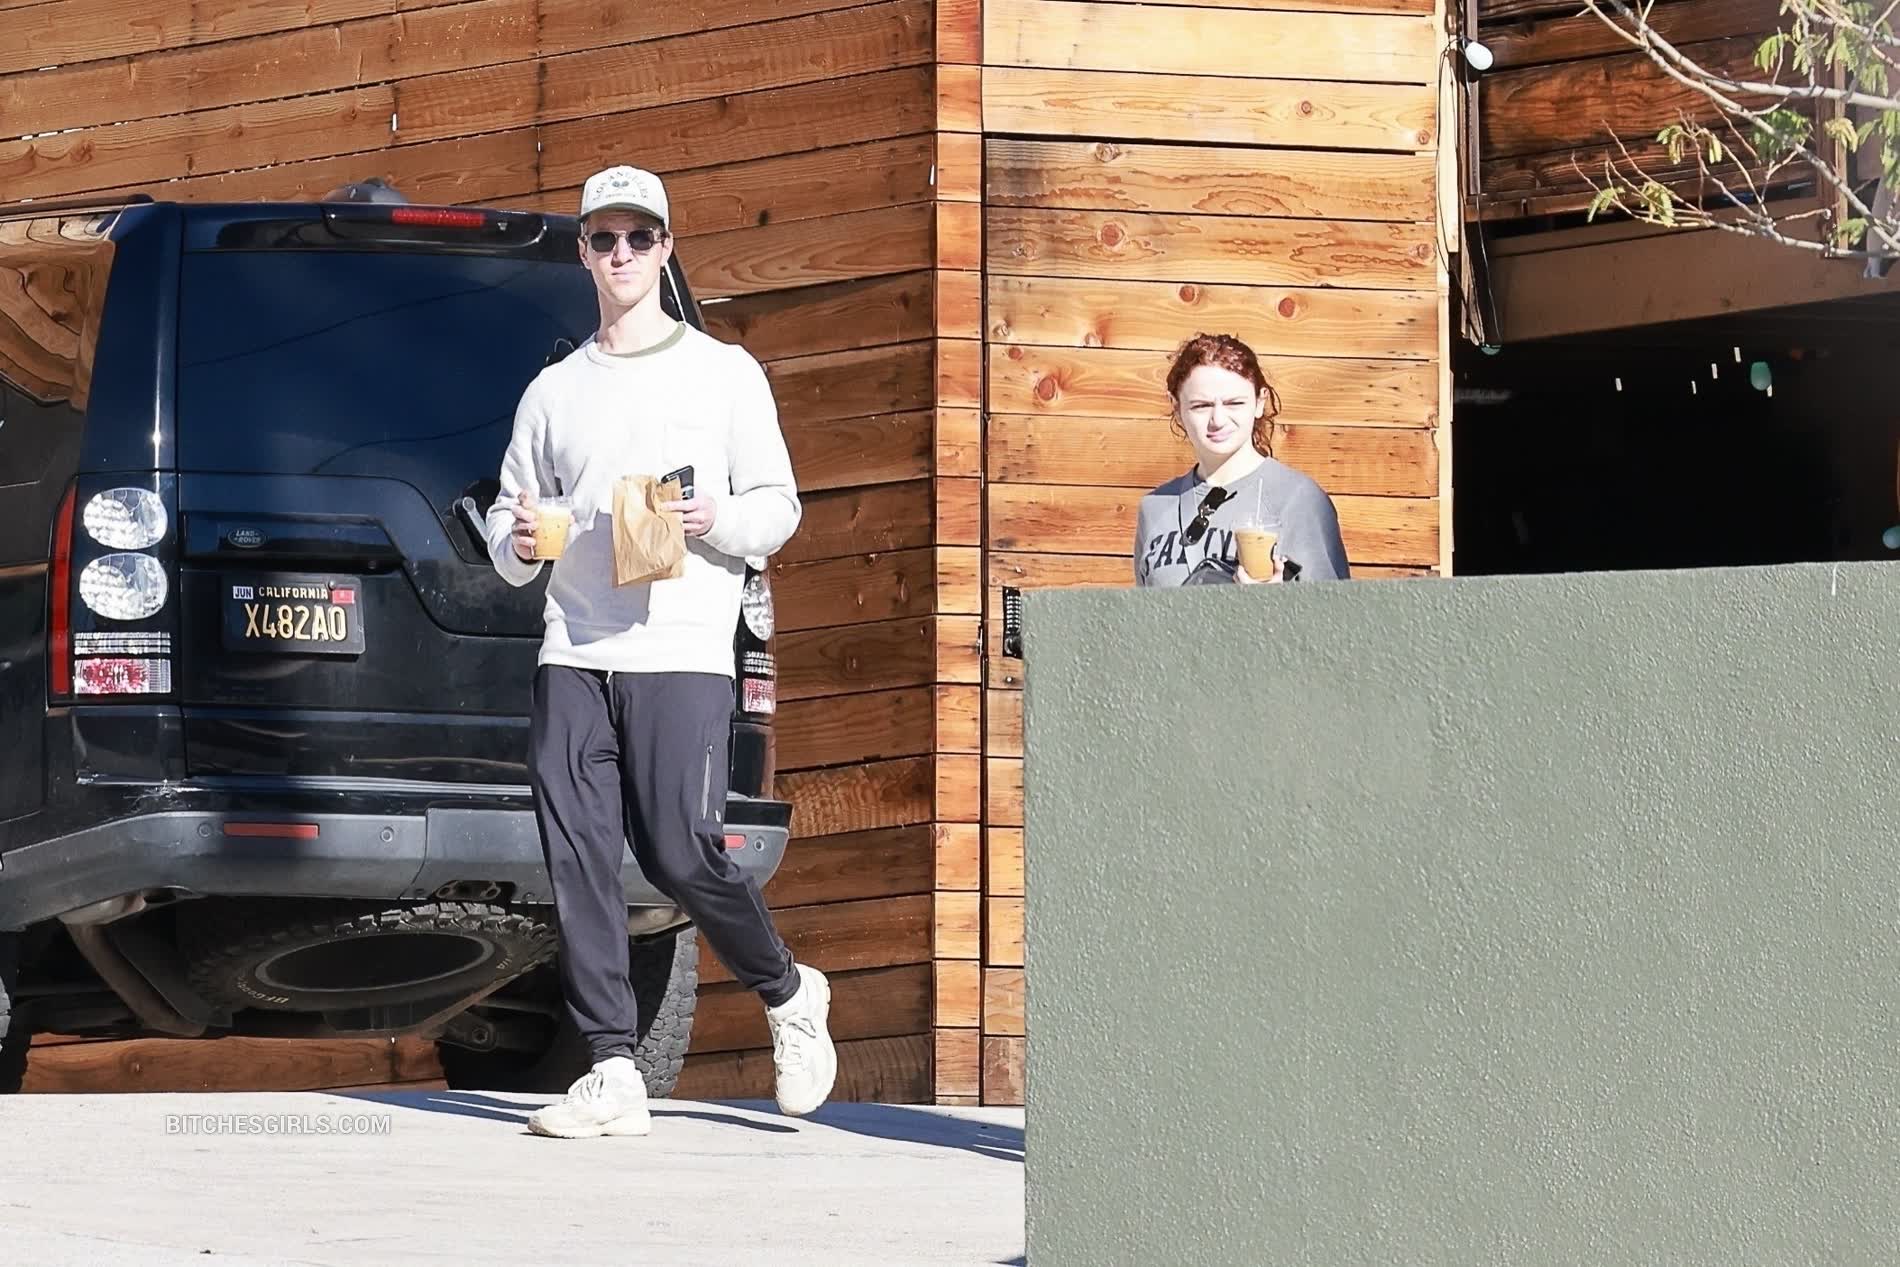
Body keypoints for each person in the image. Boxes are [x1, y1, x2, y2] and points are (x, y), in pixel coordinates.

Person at [484, 165, 836, 1139]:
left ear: (666, 249)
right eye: (604, 239)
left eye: (640, 237)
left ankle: (788, 989)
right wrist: (520, 542)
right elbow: (509, 525)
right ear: (584, 252)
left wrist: (718, 516)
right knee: (579, 856)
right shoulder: (554, 391)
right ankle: (611, 1067)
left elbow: (779, 507)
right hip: (573, 646)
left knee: (680, 849)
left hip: (681, 648)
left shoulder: (725, 374)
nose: (622, 254)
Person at [1134, 332, 1351, 587]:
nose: (1218, 420)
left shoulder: (1298, 499)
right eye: (1201, 406)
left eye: (1234, 403)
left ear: (1259, 402)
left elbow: (1335, 608)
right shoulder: (1155, 508)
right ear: (1176, 408)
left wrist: (1276, 602)